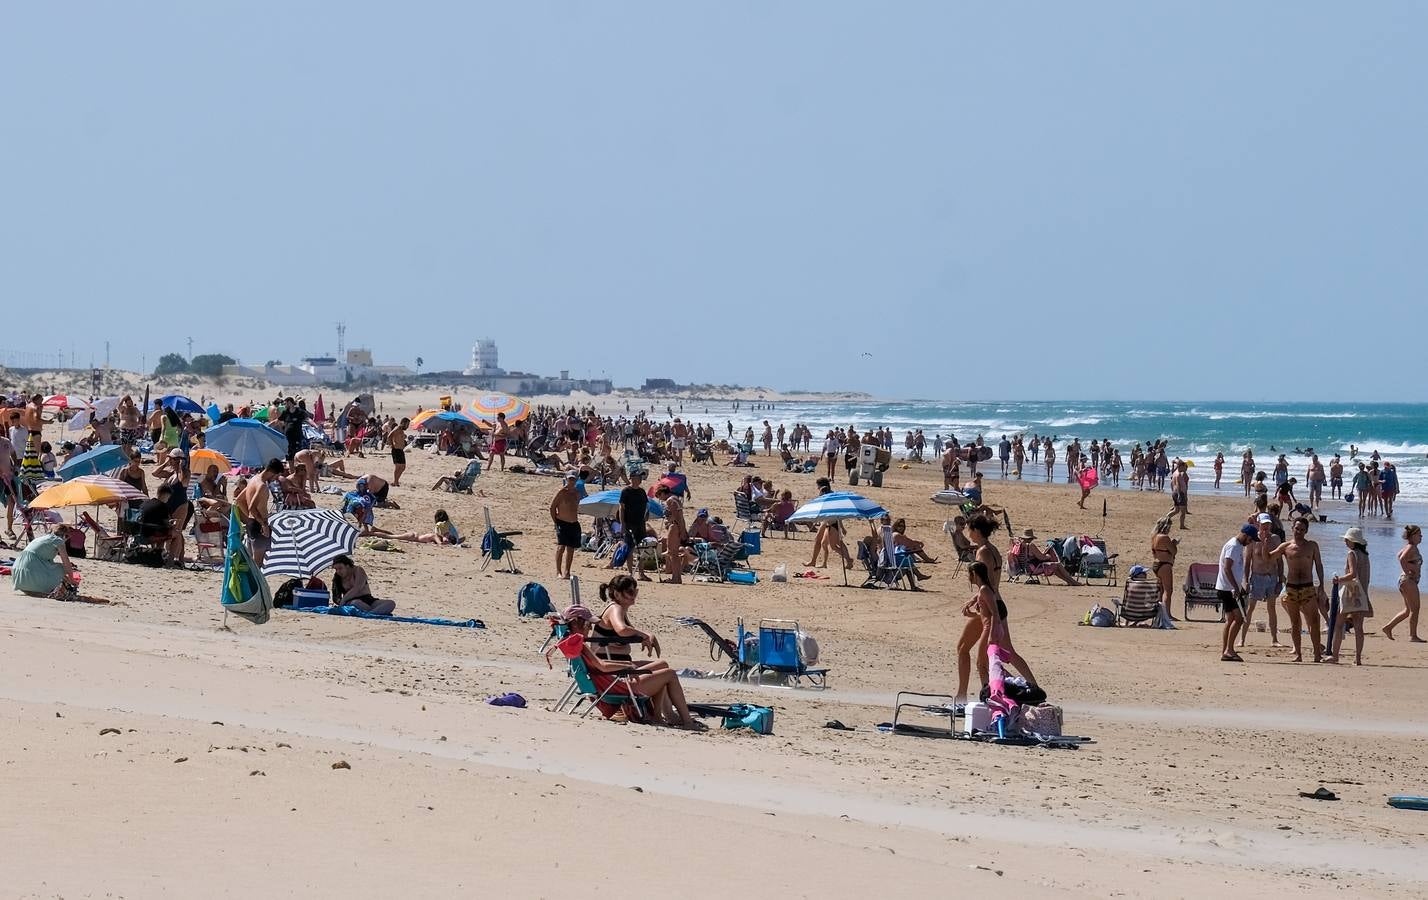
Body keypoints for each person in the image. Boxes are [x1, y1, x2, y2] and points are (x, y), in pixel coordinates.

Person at [548, 604, 697, 728]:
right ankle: (687, 721)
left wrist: (626, 665)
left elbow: (599, 668)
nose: (590, 628)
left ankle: (658, 716)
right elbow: (603, 666)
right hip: (618, 687)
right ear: (576, 623)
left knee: (661, 667)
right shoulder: (579, 643)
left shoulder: (571, 643)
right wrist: (627, 666)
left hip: (607, 683)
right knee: (669, 674)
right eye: (588, 624)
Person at [963, 561, 1037, 688]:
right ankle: (1016, 685)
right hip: (992, 624)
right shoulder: (984, 589)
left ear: (974, 574)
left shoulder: (984, 589)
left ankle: (1000, 690)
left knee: (983, 663)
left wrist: (992, 634)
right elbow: (987, 614)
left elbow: (994, 614)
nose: (968, 577)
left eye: (969, 574)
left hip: (991, 627)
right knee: (990, 661)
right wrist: (973, 611)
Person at [955, 514, 1003, 704]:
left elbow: (988, 584)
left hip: (988, 607)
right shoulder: (994, 550)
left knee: (982, 661)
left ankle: (987, 699)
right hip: (988, 603)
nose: (969, 533)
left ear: (976, 530)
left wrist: (976, 599)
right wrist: (974, 599)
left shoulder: (982, 552)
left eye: (969, 530)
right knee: (963, 648)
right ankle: (962, 696)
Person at [1265, 516, 1326, 663]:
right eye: (1297, 529)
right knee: (1295, 623)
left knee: (1314, 621)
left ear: (1306, 531)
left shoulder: (1312, 546)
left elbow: (1318, 565)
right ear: (1292, 528)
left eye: (1302, 530)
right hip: (1291, 588)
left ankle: (1317, 654)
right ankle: (1298, 654)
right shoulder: (1286, 546)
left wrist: (1322, 585)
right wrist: (1264, 543)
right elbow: (1268, 558)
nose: (1299, 532)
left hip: (1307, 587)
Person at [1327, 527, 1373, 665]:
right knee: (1359, 627)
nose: (1346, 542)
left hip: (1350, 593)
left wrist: (1338, 580)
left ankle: (1335, 656)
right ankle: (1358, 658)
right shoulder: (1365, 556)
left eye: (1347, 539)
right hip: (1362, 593)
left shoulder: (1352, 554)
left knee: (1339, 624)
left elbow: (1352, 574)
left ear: (1353, 541)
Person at [1215, 524, 1256, 662]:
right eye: (1251, 539)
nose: (1251, 542)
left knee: (1231, 619)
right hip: (1227, 589)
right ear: (1246, 535)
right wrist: (1236, 588)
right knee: (1239, 619)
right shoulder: (1234, 546)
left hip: (1228, 587)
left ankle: (1226, 650)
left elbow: (1234, 569)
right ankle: (1229, 650)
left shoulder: (1237, 545)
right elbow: (1227, 568)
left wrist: (1240, 586)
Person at [10, 523, 81, 598]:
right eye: (67, 537)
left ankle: (33, 588)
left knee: (54, 567)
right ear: (64, 535)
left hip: (18, 576)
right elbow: (66, 562)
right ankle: (54, 589)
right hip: (30, 573)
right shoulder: (58, 540)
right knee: (62, 568)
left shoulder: (41, 539)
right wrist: (72, 580)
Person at [1243, 514, 1283, 647]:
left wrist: (1280, 580)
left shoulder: (1275, 539)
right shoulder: (1253, 540)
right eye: (1263, 525)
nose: (1266, 528)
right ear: (1258, 524)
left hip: (1271, 576)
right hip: (1257, 576)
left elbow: (1279, 561)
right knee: (1250, 608)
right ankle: (1242, 639)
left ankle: (1274, 639)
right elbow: (1248, 560)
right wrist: (1246, 580)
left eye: (1268, 525)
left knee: (1272, 608)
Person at [235, 458, 282, 568]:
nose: (275, 479)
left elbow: (239, 500)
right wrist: (263, 524)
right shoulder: (262, 486)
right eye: (276, 476)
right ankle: (254, 585)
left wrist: (249, 518)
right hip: (259, 525)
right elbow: (252, 507)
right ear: (272, 472)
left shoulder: (253, 479)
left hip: (252, 524)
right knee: (257, 566)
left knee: (252, 563)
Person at [1382, 525, 1424, 642]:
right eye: (1419, 535)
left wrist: (1411, 565)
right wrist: (1408, 570)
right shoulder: (1411, 547)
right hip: (1408, 581)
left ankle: (1388, 627)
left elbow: (1399, 555)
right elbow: (1402, 559)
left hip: (1406, 581)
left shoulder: (1410, 547)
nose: (1421, 537)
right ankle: (1413, 636)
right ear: (1412, 536)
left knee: (1407, 610)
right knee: (1415, 609)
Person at [330, 554, 396, 615]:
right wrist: (340, 602)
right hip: (352, 602)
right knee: (355, 603)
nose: (338, 571)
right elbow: (336, 596)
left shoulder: (358, 570)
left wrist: (344, 599)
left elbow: (357, 588)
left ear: (347, 566)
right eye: (336, 569)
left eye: (340, 568)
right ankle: (375, 613)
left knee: (390, 603)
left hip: (367, 599)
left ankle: (371, 613)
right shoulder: (337, 578)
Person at [1012, 529, 1079, 586]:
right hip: (1033, 568)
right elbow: (1041, 558)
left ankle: (1069, 581)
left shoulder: (1018, 545)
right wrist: (1048, 556)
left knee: (1055, 567)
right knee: (1058, 564)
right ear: (1031, 538)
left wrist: (1044, 553)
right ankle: (1073, 581)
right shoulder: (1030, 545)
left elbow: (1033, 556)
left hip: (1025, 568)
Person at [138, 486, 186, 563]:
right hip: (150, 536)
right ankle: (170, 561)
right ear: (167, 495)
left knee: (162, 533)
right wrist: (173, 523)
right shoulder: (162, 506)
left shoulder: (145, 503)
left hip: (139, 535)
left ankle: (157, 556)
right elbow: (166, 524)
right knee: (177, 535)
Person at [617, 471, 650, 581]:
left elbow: (646, 505)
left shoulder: (641, 491)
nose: (638, 480)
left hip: (640, 523)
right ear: (631, 478)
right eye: (636, 477)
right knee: (629, 548)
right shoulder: (626, 491)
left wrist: (646, 515)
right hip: (629, 523)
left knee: (642, 548)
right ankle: (631, 573)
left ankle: (641, 573)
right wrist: (622, 524)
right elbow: (621, 508)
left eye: (639, 478)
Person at [550, 471, 582, 579]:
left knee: (571, 549)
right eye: (570, 479)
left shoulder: (577, 492)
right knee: (561, 547)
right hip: (562, 522)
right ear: (566, 479)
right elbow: (552, 507)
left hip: (574, 523)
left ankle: (567, 571)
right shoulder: (562, 492)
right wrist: (556, 522)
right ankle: (558, 571)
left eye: (573, 479)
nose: (572, 481)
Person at [1150, 515, 1179, 621]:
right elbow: (1173, 551)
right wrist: (1174, 544)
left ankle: (1160, 613)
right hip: (1165, 565)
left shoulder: (1154, 536)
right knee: (1168, 590)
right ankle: (1167, 614)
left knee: (1161, 590)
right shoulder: (1164, 537)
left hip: (1157, 564)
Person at [387, 417, 409, 487]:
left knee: (403, 467)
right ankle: (395, 482)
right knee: (398, 466)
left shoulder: (401, 430)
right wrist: (391, 444)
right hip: (396, 449)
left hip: (400, 450)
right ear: (403, 423)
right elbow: (389, 436)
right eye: (407, 425)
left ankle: (396, 481)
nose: (407, 426)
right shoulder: (397, 428)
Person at [1169, 460, 1190, 529]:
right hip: (1179, 493)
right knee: (1182, 512)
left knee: (1176, 510)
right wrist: (1179, 495)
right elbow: (1178, 485)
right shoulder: (1178, 474)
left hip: (1175, 493)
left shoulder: (1174, 473)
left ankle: (1166, 518)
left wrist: (1173, 492)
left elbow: (1171, 484)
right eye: (1184, 467)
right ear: (1181, 466)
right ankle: (1182, 525)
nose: (1185, 469)